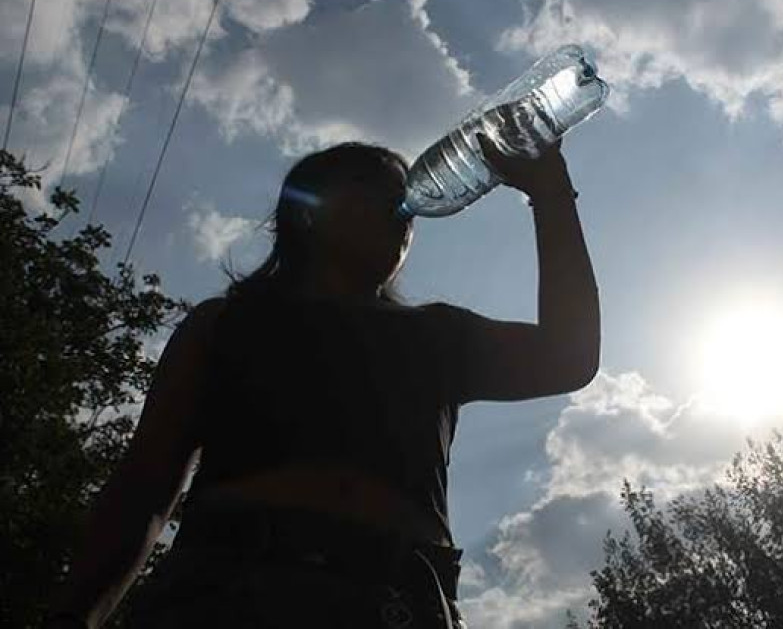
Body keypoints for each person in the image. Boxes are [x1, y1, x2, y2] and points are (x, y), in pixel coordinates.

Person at [43, 130, 601, 628]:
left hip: (400, 602)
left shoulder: (437, 336)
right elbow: (146, 483)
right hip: (225, 594)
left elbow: (569, 356)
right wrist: (73, 614)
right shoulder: (228, 324)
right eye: (373, 188)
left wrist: (550, 191)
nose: (401, 208)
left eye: (403, 199)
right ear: (307, 211)